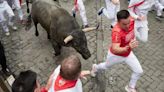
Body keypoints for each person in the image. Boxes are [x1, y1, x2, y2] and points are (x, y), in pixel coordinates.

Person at [90, 10, 143, 92]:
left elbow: (132, 13)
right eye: (124, 24)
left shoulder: (131, 20)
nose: (128, 25)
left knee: (139, 71)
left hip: (128, 54)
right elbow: (115, 49)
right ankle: (95, 67)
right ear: (118, 22)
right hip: (116, 55)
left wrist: (140, 18)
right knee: (105, 66)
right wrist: (128, 46)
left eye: (129, 22)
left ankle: (130, 87)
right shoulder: (116, 31)